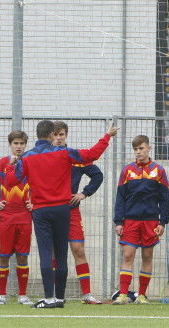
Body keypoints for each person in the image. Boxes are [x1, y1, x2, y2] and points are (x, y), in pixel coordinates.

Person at [6, 120, 119, 308]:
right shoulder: (65, 153)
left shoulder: (27, 157)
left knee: (45, 253)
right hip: (63, 209)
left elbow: (11, 181)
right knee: (61, 253)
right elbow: (93, 154)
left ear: (37, 135)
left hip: (41, 209)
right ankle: (59, 299)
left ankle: (49, 298)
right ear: (51, 135)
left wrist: (11, 165)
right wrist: (107, 136)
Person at [112, 135, 169, 305]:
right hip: (130, 220)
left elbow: (164, 199)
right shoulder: (127, 170)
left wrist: (162, 222)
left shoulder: (159, 171)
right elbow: (120, 198)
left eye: (141, 148)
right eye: (136, 149)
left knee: (147, 256)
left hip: (151, 221)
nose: (138, 152)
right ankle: (123, 295)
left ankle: (142, 295)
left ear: (149, 148)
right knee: (128, 255)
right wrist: (118, 222)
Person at [51, 121, 103, 304]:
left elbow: (98, 175)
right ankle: (57, 295)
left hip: (71, 211)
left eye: (61, 134)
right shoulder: (44, 157)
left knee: (78, 249)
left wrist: (84, 193)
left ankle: (87, 294)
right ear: (50, 136)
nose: (58, 138)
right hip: (50, 211)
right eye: (55, 135)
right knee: (53, 253)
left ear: (66, 136)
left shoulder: (75, 157)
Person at [0, 131, 33, 305]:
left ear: (26, 145)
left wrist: (36, 202)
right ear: (10, 144)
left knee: (23, 257)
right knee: (3, 256)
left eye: (22, 144)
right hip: (5, 218)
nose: (18, 147)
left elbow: (43, 184)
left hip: (25, 217)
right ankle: (1, 294)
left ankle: (22, 295)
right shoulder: (0, 164)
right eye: (15, 143)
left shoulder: (31, 163)